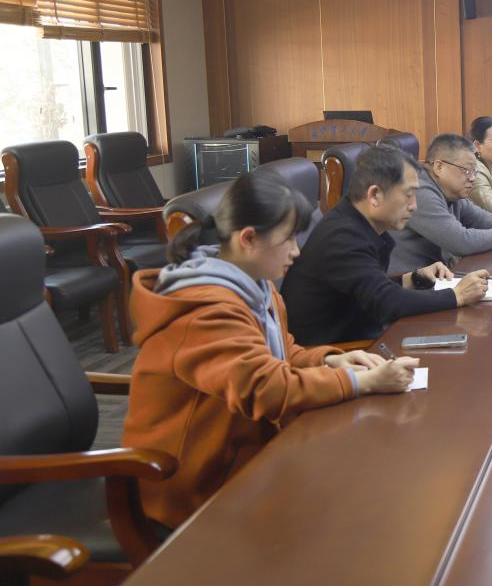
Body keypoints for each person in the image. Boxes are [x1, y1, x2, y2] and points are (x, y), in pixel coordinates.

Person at [122, 169, 420, 529]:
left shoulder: (257, 287)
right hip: (192, 484)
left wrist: (330, 359)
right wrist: (361, 382)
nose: (296, 251)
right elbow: (265, 387)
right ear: (248, 239)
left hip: (249, 453)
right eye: (288, 239)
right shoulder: (204, 310)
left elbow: (284, 353)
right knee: (348, 512)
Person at [283, 143, 489, 346]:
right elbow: (386, 303)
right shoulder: (343, 238)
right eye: (408, 195)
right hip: (336, 353)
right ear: (374, 195)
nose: (414, 206)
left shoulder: (357, 224)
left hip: (360, 337)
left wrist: (414, 278)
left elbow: (368, 287)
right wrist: (457, 295)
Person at [388, 133, 492, 273]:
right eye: (467, 170)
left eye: (474, 171)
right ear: (439, 167)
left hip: (440, 276)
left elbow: (477, 216)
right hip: (411, 282)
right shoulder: (419, 191)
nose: (472, 178)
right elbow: (461, 241)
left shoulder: (450, 191)